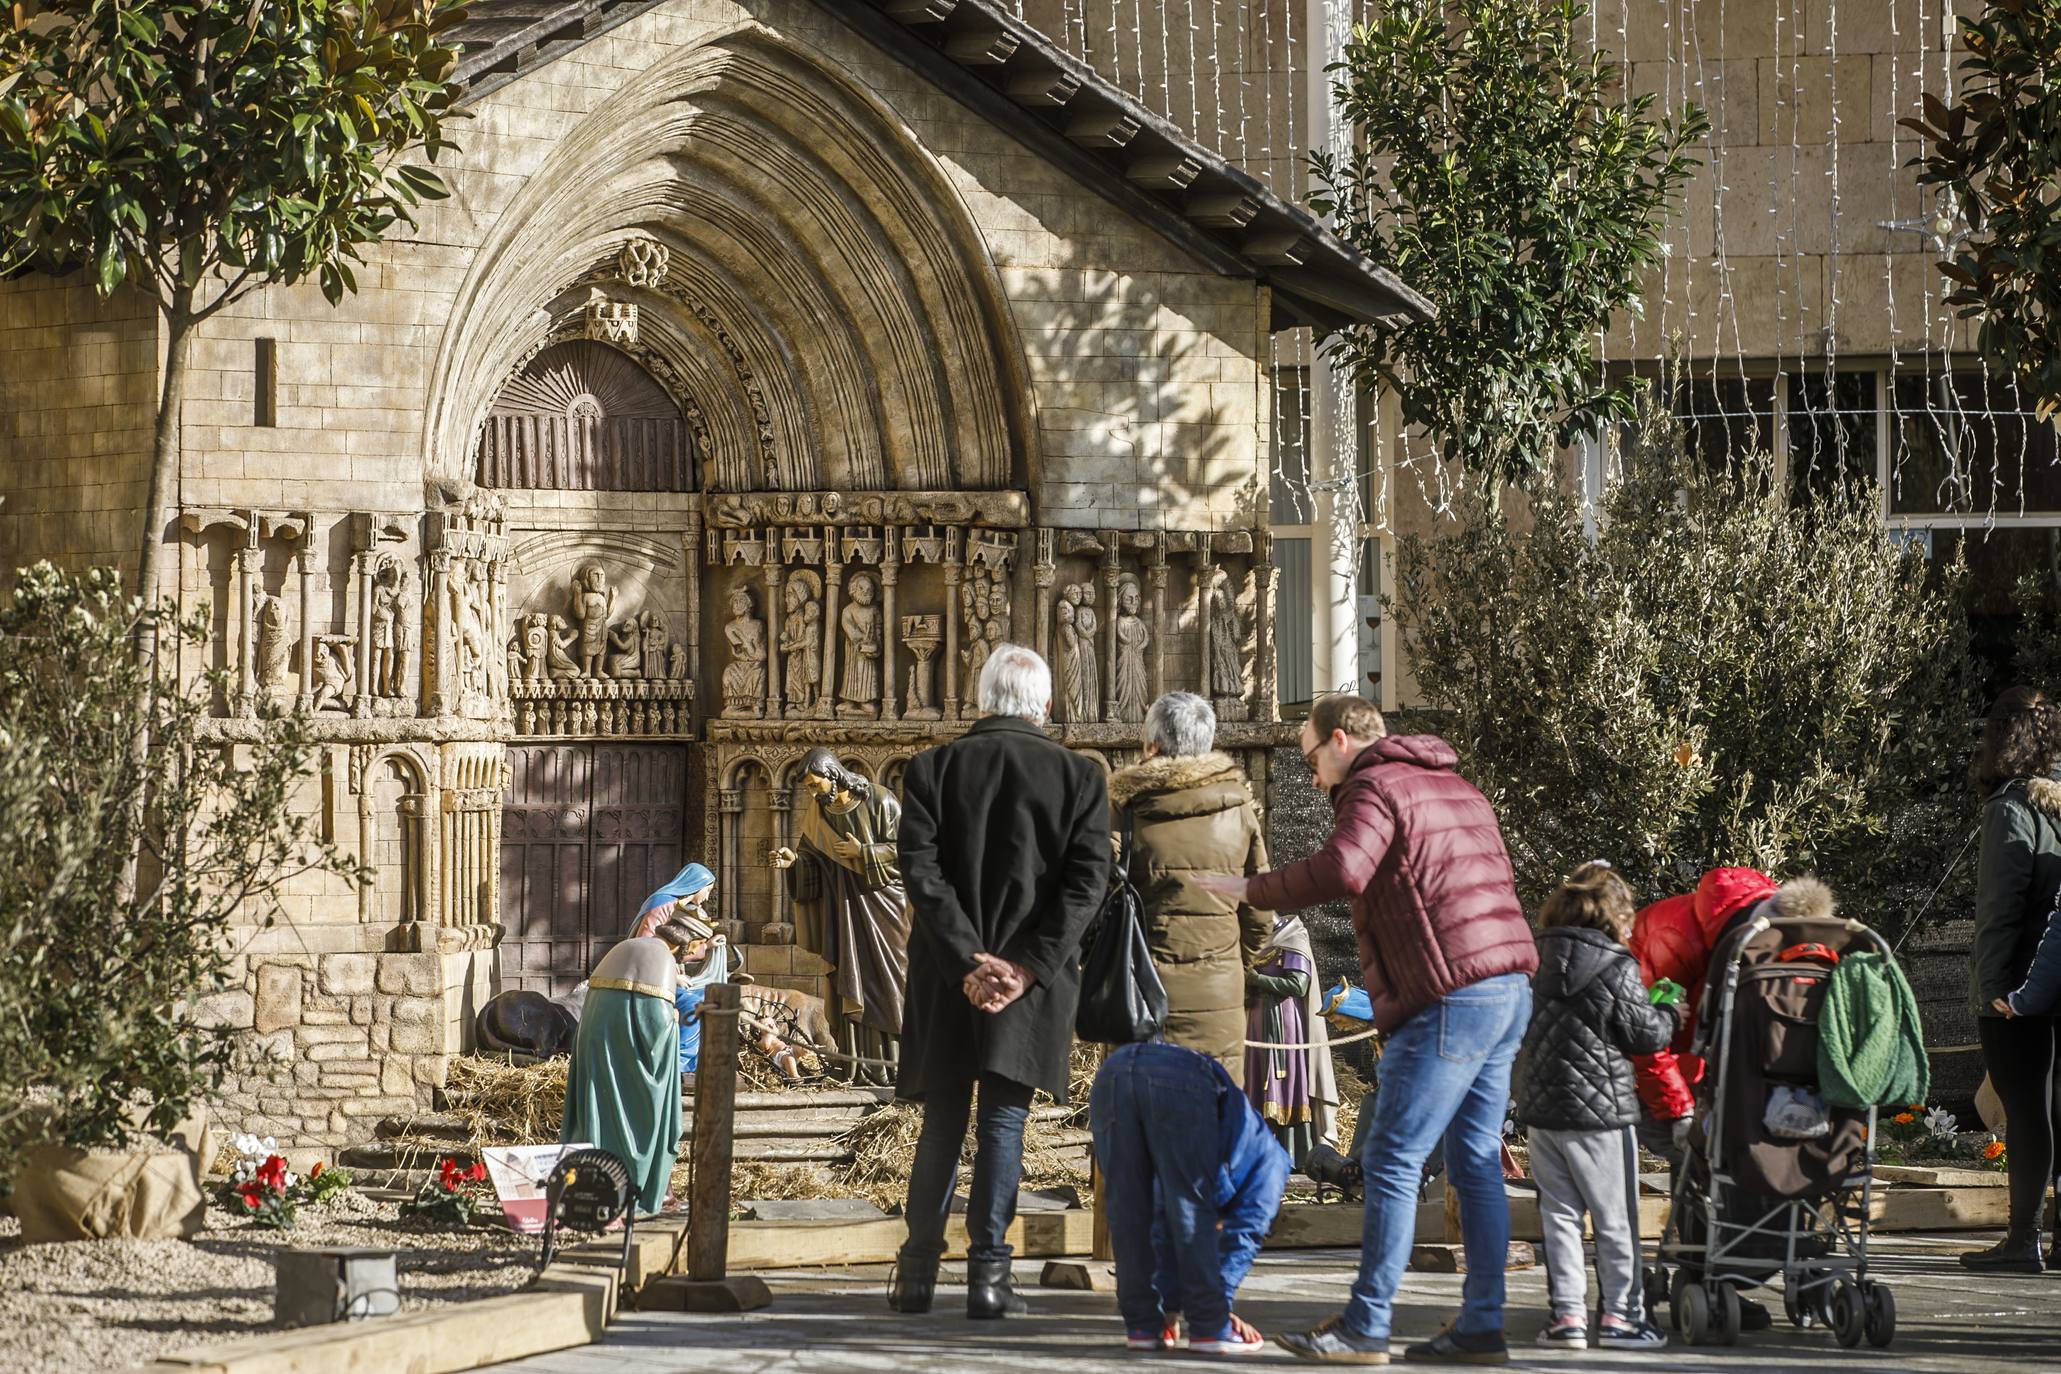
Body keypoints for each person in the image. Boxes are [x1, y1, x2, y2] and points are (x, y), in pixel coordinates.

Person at [1198, 693, 1537, 1365]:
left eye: (1309, 758)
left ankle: (1365, 1326)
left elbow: (1342, 868)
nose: (1312, 776)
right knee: (1473, 1163)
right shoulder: (1456, 787)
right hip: (1507, 988)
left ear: (1341, 741)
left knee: (1390, 1158)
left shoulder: (1373, 784)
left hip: (1447, 996)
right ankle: (1481, 1325)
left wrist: (1246, 889)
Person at [890, 644, 1110, 1319]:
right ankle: (989, 1278)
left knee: (941, 1123)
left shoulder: (931, 769)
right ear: (1044, 704)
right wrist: (1025, 965)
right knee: (1004, 1124)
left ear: (981, 700)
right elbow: (1086, 884)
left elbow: (920, 875)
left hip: (945, 975)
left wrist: (966, 961)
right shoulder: (1079, 776)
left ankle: (915, 1276)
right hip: (1030, 982)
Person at [1515, 863, 1680, 1351]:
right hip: (1602, 1116)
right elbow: (1644, 1036)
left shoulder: (1533, 958)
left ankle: (1566, 1319)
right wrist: (1670, 1008)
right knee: (1615, 1221)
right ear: (1613, 914)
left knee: (1560, 1219)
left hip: (1543, 1114)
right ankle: (1621, 1319)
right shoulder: (1615, 964)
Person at [1104, 691, 1271, 1083]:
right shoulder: (1238, 808)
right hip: (1219, 998)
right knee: (1213, 1122)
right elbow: (1261, 911)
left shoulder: (1125, 809)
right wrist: (1231, 964)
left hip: (1140, 996)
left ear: (1153, 744)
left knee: (1142, 1124)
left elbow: (1098, 897)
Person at [1089, 1041, 1288, 1356]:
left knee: (1127, 1207)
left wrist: (1167, 1308)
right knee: (1190, 1209)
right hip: (1178, 1080)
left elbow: (1162, 1224)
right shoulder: (1272, 1165)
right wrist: (1217, 1312)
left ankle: (1142, 1326)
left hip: (1112, 1073)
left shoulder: (1236, 1146)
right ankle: (1210, 1330)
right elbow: (1242, 1236)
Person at [1963, 686, 2061, 1273]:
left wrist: (1990, 989)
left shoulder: (2010, 808)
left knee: (2026, 1110)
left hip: (2018, 989)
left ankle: (2023, 1239)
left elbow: (2000, 909)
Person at [770, 750, 909, 1083]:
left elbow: (911, 849)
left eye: (816, 785)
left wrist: (865, 853)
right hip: (843, 911)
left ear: (833, 774)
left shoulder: (881, 801)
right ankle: (856, 1065)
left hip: (886, 906)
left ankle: (899, 1065)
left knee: (892, 983)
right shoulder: (819, 814)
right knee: (847, 982)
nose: (814, 794)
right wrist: (795, 863)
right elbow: (811, 858)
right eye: (809, 789)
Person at [558, 916, 708, 1217]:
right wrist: (676, 1025)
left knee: (597, 1109)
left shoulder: (630, 947)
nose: (688, 959)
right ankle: (642, 1185)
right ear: (685, 946)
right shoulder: (662, 959)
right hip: (629, 1057)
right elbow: (656, 1024)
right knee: (649, 1112)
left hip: (597, 1047)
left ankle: (589, 1182)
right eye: (695, 951)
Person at [1245, 914, 1340, 1165]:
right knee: (1256, 1078)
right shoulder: (1254, 940)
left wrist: (1256, 979)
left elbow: (1299, 984)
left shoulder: (1293, 936)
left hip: (1282, 1020)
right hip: (1256, 1020)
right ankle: (1258, 1153)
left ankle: (1293, 1153)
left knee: (1284, 1079)